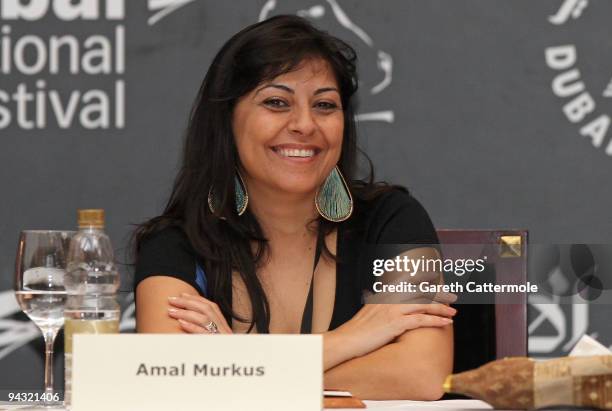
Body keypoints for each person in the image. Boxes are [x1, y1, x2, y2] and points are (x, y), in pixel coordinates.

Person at [133, 14, 455, 400]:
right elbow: (170, 378)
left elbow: (421, 374)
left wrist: (232, 365)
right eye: (276, 102)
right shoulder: (177, 242)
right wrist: (350, 339)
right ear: (226, 120)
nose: (304, 124)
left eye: (324, 105)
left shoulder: (394, 218)